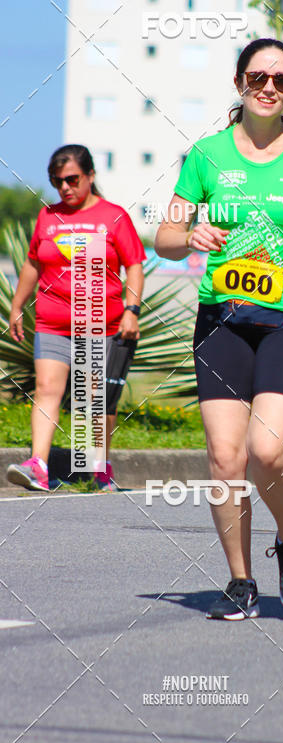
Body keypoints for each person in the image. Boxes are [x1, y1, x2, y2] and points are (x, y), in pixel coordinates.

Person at [155, 37, 283, 620]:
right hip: (223, 319)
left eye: (281, 80)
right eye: (258, 76)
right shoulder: (207, 154)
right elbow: (164, 236)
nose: (269, 86)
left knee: (267, 451)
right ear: (239, 82)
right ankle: (241, 581)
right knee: (224, 456)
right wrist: (188, 236)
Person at [7, 144, 145, 492]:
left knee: (93, 398)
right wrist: (17, 305)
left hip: (100, 324)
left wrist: (132, 310)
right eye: (57, 181)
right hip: (53, 323)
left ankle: (99, 467)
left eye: (72, 179)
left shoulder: (113, 216)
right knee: (47, 390)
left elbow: (134, 266)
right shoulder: (48, 217)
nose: (65, 187)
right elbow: (32, 264)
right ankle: (38, 465)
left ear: (90, 176)